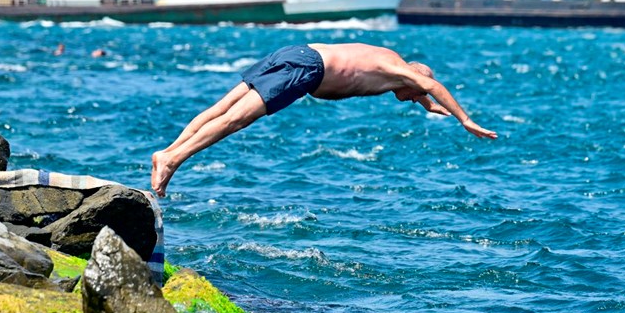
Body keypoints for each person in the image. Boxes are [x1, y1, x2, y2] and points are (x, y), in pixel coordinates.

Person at [151, 43, 496, 197]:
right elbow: (429, 84)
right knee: (235, 120)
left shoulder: (392, 63)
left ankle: (167, 151)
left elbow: (422, 92)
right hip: (307, 70)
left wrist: (434, 108)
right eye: (414, 93)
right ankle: (173, 160)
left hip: (296, 53)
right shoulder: (400, 72)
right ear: (412, 79)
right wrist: (465, 119)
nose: (411, 99)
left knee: (219, 108)